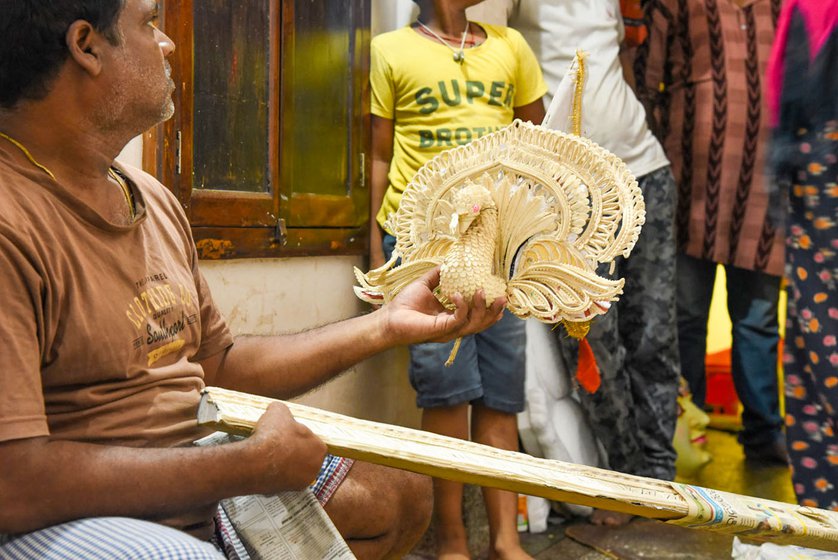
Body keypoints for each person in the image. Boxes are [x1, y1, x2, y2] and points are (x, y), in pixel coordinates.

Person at [0, 1, 508, 559]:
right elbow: (14, 482)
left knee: (400, 496)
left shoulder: (153, 201)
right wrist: (244, 464)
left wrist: (387, 326)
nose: (168, 45)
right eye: (149, 24)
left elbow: (217, 366)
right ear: (85, 45)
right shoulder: (12, 218)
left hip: (188, 465)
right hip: (67, 510)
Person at [369, 0, 546, 557]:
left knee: (500, 392)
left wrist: (538, 235)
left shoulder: (509, 47)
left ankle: (506, 540)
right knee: (444, 393)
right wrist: (374, 243)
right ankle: (450, 538)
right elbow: (378, 153)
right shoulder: (389, 51)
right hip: (421, 242)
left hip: (497, 241)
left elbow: (538, 145)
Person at [503, 0, 681, 526]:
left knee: (655, 337)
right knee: (592, 345)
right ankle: (623, 482)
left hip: (646, 172)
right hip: (572, 192)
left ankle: (659, 478)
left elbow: (615, 60)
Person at [637, 0, 789, 465]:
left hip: (765, 190)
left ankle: (765, 436)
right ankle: (689, 426)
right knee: (685, 317)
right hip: (690, 187)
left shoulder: (783, 5)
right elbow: (646, 84)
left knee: (758, 321)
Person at [766, 0, 838, 510]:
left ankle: (822, 508)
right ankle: (822, 512)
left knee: (817, 344)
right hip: (811, 178)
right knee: (812, 344)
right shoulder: (804, 9)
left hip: (818, 171)